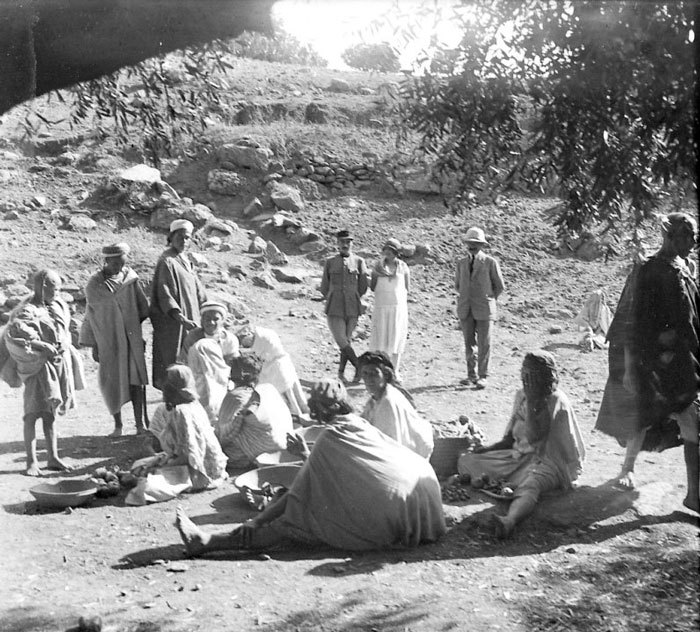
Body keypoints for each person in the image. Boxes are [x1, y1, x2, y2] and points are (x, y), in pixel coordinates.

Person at [175, 378, 446, 555]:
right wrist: (307, 456)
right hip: (424, 498)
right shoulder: (358, 424)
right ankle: (215, 541)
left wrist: (257, 519)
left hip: (393, 516)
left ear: (316, 411)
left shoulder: (329, 438)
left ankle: (211, 542)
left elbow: (298, 492)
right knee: (294, 500)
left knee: (292, 517)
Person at [595, 213, 698, 512]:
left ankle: (693, 493)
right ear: (669, 237)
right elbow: (631, 322)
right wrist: (628, 368)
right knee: (646, 415)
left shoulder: (684, 268)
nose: (693, 242)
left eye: (693, 236)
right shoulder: (649, 271)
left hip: (680, 362)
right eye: (687, 236)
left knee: (682, 419)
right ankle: (633, 471)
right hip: (652, 364)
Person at [458, 351, 586, 538]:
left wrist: (535, 400)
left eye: (532, 375)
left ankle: (509, 520)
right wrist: (487, 450)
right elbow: (509, 439)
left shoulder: (556, 400)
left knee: (530, 486)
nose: (526, 379)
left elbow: (535, 438)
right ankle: (510, 483)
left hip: (550, 462)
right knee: (466, 460)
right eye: (524, 373)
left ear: (546, 376)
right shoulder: (521, 396)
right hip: (519, 457)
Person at [0, 269, 85, 476]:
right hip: (37, 367)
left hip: (56, 365)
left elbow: (63, 330)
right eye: (53, 288)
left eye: (58, 288)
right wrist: (42, 346)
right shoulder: (27, 310)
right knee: (32, 414)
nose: (57, 292)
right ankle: (31, 461)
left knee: (51, 412)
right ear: (42, 287)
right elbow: (16, 335)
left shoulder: (57, 305)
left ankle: (53, 457)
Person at [80, 242, 149, 437]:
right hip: (108, 340)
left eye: (122, 261)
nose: (119, 265)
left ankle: (139, 425)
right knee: (111, 381)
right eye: (115, 261)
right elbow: (90, 314)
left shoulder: (131, 279)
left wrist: (134, 329)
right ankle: (118, 426)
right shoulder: (95, 284)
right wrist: (93, 343)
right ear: (106, 260)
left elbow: (143, 307)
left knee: (136, 381)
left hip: (131, 340)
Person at [145, 364, 228, 490]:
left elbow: (188, 455)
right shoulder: (194, 404)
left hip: (201, 472)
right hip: (214, 465)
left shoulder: (181, 412)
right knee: (142, 465)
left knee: (148, 483)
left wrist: (162, 467)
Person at [150, 219, 208, 391]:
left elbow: (198, 291)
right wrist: (179, 317)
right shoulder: (167, 261)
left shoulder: (186, 261)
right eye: (180, 237)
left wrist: (207, 309)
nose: (183, 241)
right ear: (171, 237)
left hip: (191, 319)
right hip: (174, 323)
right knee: (174, 361)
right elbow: (164, 292)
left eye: (187, 238)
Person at [215, 352, 293, 467]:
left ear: (238, 374)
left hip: (260, 450)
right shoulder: (268, 388)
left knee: (216, 447)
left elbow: (225, 433)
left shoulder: (237, 396)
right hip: (282, 445)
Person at [358, 351, 434, 459]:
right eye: (365, 373)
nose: (368, 378)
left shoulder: (387, 403)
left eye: (374, 374)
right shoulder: (376, 398)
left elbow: (389, 444)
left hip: (407, 458)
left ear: (385, 374)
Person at [455, 226, 505, 389]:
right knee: (469, 343)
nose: (472, 246)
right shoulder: (461, 263)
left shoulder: (490, 262)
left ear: (482, 245)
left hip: (484, 308)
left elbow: (499, 286)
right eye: (470, 243)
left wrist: (489, 300)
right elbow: (458, 285)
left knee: (484, 343)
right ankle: (471, 375)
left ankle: (483, 375)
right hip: (466, 308)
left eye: (476, 243)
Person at [320, 229, 369, 384]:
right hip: (335, 306)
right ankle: (359, 366)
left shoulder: (359, 262)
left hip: (352, 307)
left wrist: (354, 297)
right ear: (337, 244)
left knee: (347, 340)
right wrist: (333, 296)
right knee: (341, 340)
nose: (345, 245)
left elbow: (363, 286)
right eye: (342, 242)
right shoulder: (330, 262)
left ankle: (341, 373)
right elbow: (324, 286)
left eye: (348, 242)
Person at [179, 300, 239, 424]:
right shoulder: (193, 337)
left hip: (222, 380)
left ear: (222, 320)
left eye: (215, 319)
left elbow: (233, 365)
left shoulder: (229, 339)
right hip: (197, 378)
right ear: (201, 320)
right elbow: (184, 362)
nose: (211, 323)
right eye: (207, 319)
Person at [236, 324, 308, 417]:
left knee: (285, 397)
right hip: (273, 366)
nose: (245, 346)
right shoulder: (265, 338)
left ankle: (294, 415)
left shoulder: (263, 343)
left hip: (277, 371)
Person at [369, 238, 410, 380]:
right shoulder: (377, 266)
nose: (389, 254)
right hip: (381, 307)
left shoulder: (403, 267)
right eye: (386, 251)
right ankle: (381, 370)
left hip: (397, 309)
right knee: (381, 338)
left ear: (397, 253)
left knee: (396, 338)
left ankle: (395, 371)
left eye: (392, 251)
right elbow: (373, 286)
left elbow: (407, 288)